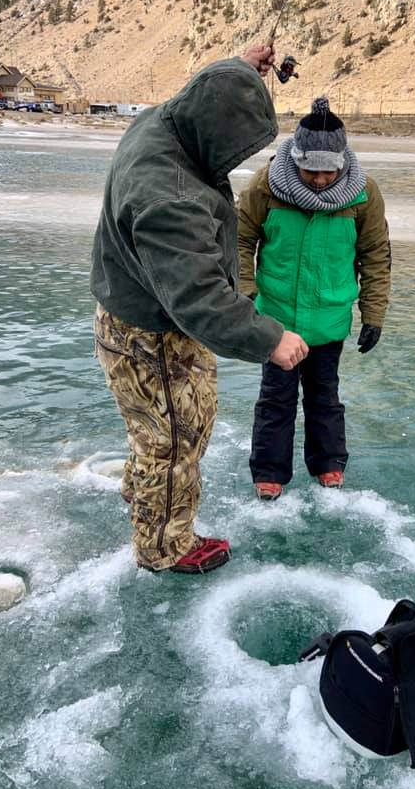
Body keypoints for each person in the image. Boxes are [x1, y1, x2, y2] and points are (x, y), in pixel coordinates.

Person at [90, 45, 308, 574]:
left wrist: (239, 69)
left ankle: (142, 489)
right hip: (154, 336)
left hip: (132, 309)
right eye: (234, 150)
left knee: (160, 427)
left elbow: (203, 91)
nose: (237, 162)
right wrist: (269, 339)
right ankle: (165, 546)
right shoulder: (170, 197)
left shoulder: (162, 121)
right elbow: (200, 300)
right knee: (174, 442)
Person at [238, 97, 391, 500]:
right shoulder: (267, 184)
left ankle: (328, 465)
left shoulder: (364, 194)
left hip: (329, 318)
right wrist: (246, 296)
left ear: (342, 162)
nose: (320, 180)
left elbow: (375, 254)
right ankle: (269, 472)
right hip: (275, 318)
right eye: (310, 170)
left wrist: (373, 312)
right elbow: (237, 239)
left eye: (328, 172)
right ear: (296, 158)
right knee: (276, 399)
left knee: (325, 396)